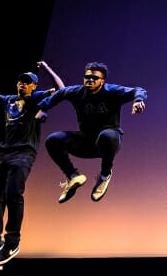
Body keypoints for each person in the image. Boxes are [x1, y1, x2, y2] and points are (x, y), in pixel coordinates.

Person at [0, 61, 65, 270]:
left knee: (13, 194)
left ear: (34, 86)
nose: (22, 85)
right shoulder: (9, 100)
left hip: (24, 153)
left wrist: (48, 69)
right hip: (4, 152)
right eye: (20, 82)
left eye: (27, 83)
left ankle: (12, 242)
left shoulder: (36, 99)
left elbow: (62, 90)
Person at [38, 61, 147, 204]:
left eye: (95, 78)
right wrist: (43, 108)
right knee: (53, 139)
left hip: (108, 141)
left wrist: (138, 101)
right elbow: (60, 94)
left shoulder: (112, 91)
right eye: (87, 77)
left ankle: (104, 175)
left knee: (105, 135)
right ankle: (73, 176)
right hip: (86, 141)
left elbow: (139, 90)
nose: (90, 80)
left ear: (102, 81)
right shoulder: (76, 92)